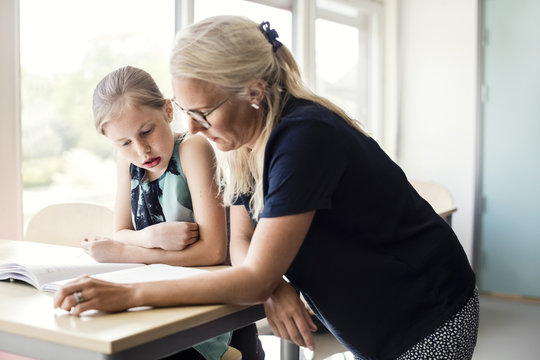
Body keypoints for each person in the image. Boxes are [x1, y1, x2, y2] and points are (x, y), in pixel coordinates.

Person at [55, 16, 479, 360]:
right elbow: (242, 241)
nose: (192, 128)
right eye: (186, 111)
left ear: (254, 92)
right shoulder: (241, 144)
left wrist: (128, 294)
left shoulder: (304, 137)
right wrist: (272, 284)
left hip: (427, 316)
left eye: (203, 112)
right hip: (373, 323)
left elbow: (250, 272)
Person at [85, 66, 243, 360]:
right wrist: (148, 237)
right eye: (124, 143)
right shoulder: (128, 163)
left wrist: (126, 253)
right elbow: (120, 231)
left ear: (169, 110)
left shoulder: (193, 149)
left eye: (147, 131)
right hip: (160, 298)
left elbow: (212, 252)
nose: (142, 150)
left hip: (211, 307)